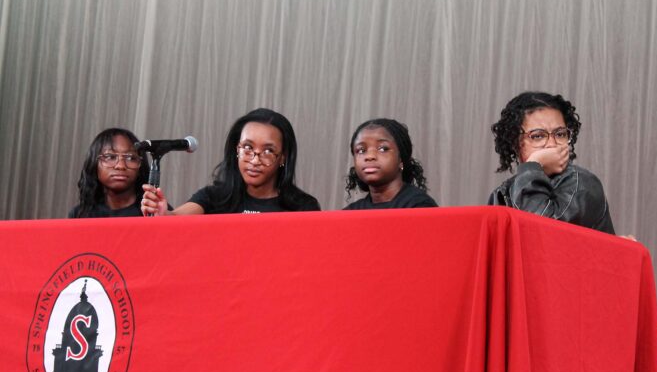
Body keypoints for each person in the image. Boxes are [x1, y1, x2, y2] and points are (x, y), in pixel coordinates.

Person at [141, 108, 320, 215]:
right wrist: (163, 213)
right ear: (236, 150)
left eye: (267, 151)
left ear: (283, 157)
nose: (254, 160)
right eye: (248, 148)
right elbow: (175, 218)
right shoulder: (214, 197)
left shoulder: (303, 206)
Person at [488, 91, 614, 234]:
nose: (552, 144)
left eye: (560, 134)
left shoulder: (582, 183)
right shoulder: (502, 193)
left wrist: (534, 163)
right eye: (538, 136)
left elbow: (542, 235)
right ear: (515, 143)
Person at [343, 118, 437, 210]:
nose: (369, 156)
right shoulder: (350, 213)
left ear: (401, 159)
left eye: (383, 149)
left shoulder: (420, 206)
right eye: (361, 150)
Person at [69, 128, 149, 218]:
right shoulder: (80, 214)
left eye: (130, 158)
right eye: (110, 157)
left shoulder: (154, 212)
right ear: (94, 164)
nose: (120, 166)